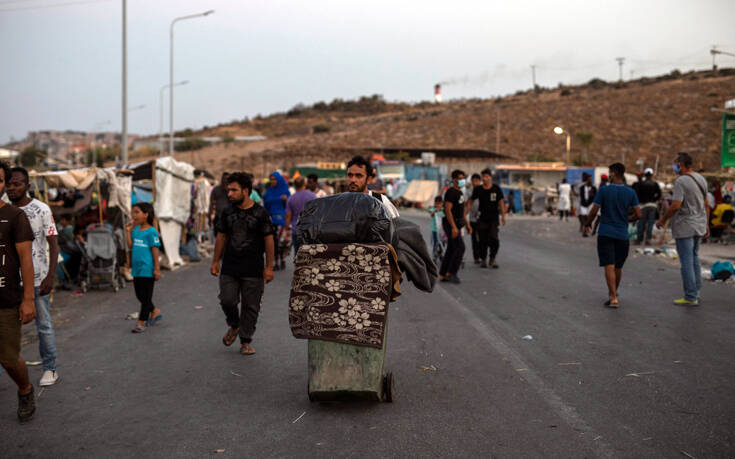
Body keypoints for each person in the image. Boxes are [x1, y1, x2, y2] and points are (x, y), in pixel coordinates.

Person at [6, 167, 60, 387]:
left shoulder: (42, 209)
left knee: (44, 325)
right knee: (6, 328)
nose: (11, 188)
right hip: (9, 281)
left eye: (17, 183)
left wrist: (50, 276)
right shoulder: (2, 209)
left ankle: (50, 368)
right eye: (8, 183)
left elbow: (53, 244)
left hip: (37, 279)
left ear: (27, 186)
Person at [211, 172, 275, 355]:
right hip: (230, 266)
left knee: (251, 306)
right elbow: (221, 236)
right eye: (228, 190)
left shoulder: (260, 213)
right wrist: (215, 261)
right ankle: (234, 325)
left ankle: (246, 340)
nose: (229, 194)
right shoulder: (227, 212)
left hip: (253, 268)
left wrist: (269, 267)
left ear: (245, 191)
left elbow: (269, 240)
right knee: (227, 300)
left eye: (233, 190)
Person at [0, 161, 37, 423]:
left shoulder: (14, 216)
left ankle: (25, 389)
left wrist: (28, 300)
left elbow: (26, 260)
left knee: (9, 359)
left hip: (5, 300)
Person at [656, 153, 709, 306]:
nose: (674, 166)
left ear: (681, 164)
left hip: (685, 226)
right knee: (694, 259)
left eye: (675, 163)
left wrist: (662, 219)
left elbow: (676, 205)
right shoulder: (701, 179)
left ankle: (690, 296)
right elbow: (706, 204)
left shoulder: (681, 181)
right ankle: (696, 292)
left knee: (686, 261)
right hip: (699, 225)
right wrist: (706, 224)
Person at [585, 163, 641, 308]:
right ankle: (614, 294)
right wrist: (627, 220)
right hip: (622, 234)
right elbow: (638, 214)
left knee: (609, 266)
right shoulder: (631, 192)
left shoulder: (604, 190)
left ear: (614, 173)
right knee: (618, 267)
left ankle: (613, 297)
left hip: (605, 232)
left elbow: (594, 210)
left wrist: (588, 223)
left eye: (610, 172)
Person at [125, 203, 162, 333]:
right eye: (133, 213)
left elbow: (155, 250)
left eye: (137, 212)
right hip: (137, 269)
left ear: (146, 215)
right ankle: (155, 311)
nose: (134, 215)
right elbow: (131, 246)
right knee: (139, 295)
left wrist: (157, 268)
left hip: (147, 268)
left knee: (145, 297)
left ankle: (141, 322)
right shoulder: (136, 230)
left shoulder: (152, 231)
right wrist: (128, 232)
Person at [466, 169, 506, 269]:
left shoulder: (496, 188)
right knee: (482, 240)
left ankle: (492, 258)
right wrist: (464, 214)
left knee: (494, 238)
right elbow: (470, 202)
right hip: (482, 218)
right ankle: (483, 259)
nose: (485, 179)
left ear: (490, 177)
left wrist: (503, 216)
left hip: (493, 218)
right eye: (483, 177)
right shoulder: (478, 189)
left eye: (487, 177)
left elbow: (501, 202)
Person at [439, 170, 471, 284]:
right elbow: (448, 210)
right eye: (459, 178)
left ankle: (443, 274)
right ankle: (452, 273)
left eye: (463, 178)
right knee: (460, 248)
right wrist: (453, 227)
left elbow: (461, 212)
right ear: (454, 179)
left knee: (451, 248)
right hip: (450, 224)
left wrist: (467, 225)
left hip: (457, 224)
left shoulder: (460, 193)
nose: (462, 180)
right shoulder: (451, 192)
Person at [263, 171, 290, 270]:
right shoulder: (269, 190)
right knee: (272, 242)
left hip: (282, 220)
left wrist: (284, 199)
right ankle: (275, 262)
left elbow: (288, 205)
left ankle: (282, 259)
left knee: (282, 242)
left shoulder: (285, 190)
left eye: (274, 179)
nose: (272, 181)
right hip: (270, 219)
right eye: (271, 179)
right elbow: (266, 202)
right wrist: (279, 198)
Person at [285, 176, 316, 257]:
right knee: (310, 254)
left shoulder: (291, 198)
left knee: (297, 253)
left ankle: (298, 269)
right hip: (310, 230)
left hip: (296, 230)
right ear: (304, 184)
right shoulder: (312, 196)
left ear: (294, 185)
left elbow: (288, 216)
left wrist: (287, 230)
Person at [635, 168, 662, 245]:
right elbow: (659, 195)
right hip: (652, 206)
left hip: (643, 206)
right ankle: (648, 239)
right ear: (652, 175)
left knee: (641, 223)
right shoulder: (655, 184)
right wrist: (654, 199)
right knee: (650, 223)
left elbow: (637, 195)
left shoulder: (640, 184)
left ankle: (639, 239)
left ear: (645, 175)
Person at [467, 174, 482, 264]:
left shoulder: (483, 191)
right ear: (471, 182)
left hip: (482, 217)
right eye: (474, 181)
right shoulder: (469, 192)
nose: (475, 183)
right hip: (472, 218)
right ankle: (476, 257)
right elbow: (467, 203)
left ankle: (482, 255)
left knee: (482, 238)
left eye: (477, 181)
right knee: (474, 238)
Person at [577, 173, 597, 237]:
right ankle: (584, 230)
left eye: (590, 179)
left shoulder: (593, 188)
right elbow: (580, 195)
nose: (589, 181)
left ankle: (585, 230)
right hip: (583, 204)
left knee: (588, 218)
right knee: (583, 216)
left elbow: (596, 196)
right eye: (588, 179)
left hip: (590, 204)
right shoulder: (582, 187)